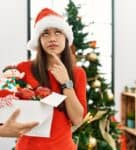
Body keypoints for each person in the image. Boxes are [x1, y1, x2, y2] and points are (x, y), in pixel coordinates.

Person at [13, 8, 87, 150]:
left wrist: (66, 83)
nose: (52, 38)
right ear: (39, 40)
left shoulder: (78, 73)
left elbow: (77, 119)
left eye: (58, 32)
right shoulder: (23, 69)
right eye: (45, 34)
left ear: (66, 38)